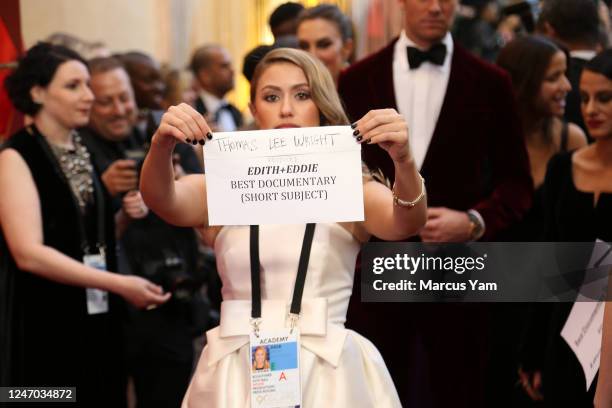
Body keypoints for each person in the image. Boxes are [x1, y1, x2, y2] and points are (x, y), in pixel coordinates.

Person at [140, 48, 427, 408]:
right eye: (271, 96)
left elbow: (406, 221)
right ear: (254, 108)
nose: (286, 109)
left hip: (327, 371)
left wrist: (404, 161)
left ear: (321, 104)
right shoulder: (225, 184)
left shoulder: (351, 185)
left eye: (302, 95)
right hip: (236, 371)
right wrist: (160, 145)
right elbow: (162, 199)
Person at [338, 0, 532, 405]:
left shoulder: (491, 82)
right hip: (377, 274)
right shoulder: (355, 80)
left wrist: (475, 221)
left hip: (459, 273)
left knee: (459, 390)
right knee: (376, 392)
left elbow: (517, 182)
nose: (434, 6)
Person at [0, 42, 169, 406]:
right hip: (43, 324)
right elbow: (28, 253)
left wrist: (124, 215)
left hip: (94, 320)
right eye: (73, 86)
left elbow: (85, 237)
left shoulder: (80, 150)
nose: (88, 96)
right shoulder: (16, 156)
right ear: (37, 92)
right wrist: (119, 283)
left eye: (87, 85)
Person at [82, 56, 206, 408]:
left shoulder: (165, 136)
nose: (119, 109)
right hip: (109, 314)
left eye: (124, 97)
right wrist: (104, 195)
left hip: (170, 303)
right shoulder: (79, 152)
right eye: (105, 101)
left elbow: (205, 217)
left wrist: (177, 179)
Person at [522, 49, 612, 407]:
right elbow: (548, 264)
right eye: (585, 98)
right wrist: (532, 348)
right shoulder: (563, 168)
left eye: (605, 98)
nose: (591, 109)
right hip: (564, 331)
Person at [497, 35, 587, 240]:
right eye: (553, 77)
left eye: (565, 75)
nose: (567, 86)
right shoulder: (484, 137)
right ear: (522, 83)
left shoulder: (571, 139)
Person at [537, 0, 602, 139]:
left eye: (604, 98)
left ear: (549, 30)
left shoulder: (542, 89)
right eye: (553, 77)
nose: (565, 87)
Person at [296, 4, 354, 85]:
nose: (312, 55)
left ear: (347, 48)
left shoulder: (369, 92)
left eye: (324, 45)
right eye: (304, 46)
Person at [189, 44, 243, 131]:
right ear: (205, 75)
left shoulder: (236, 112)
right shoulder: (191, 112)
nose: (233, 70)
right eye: (224, 66)